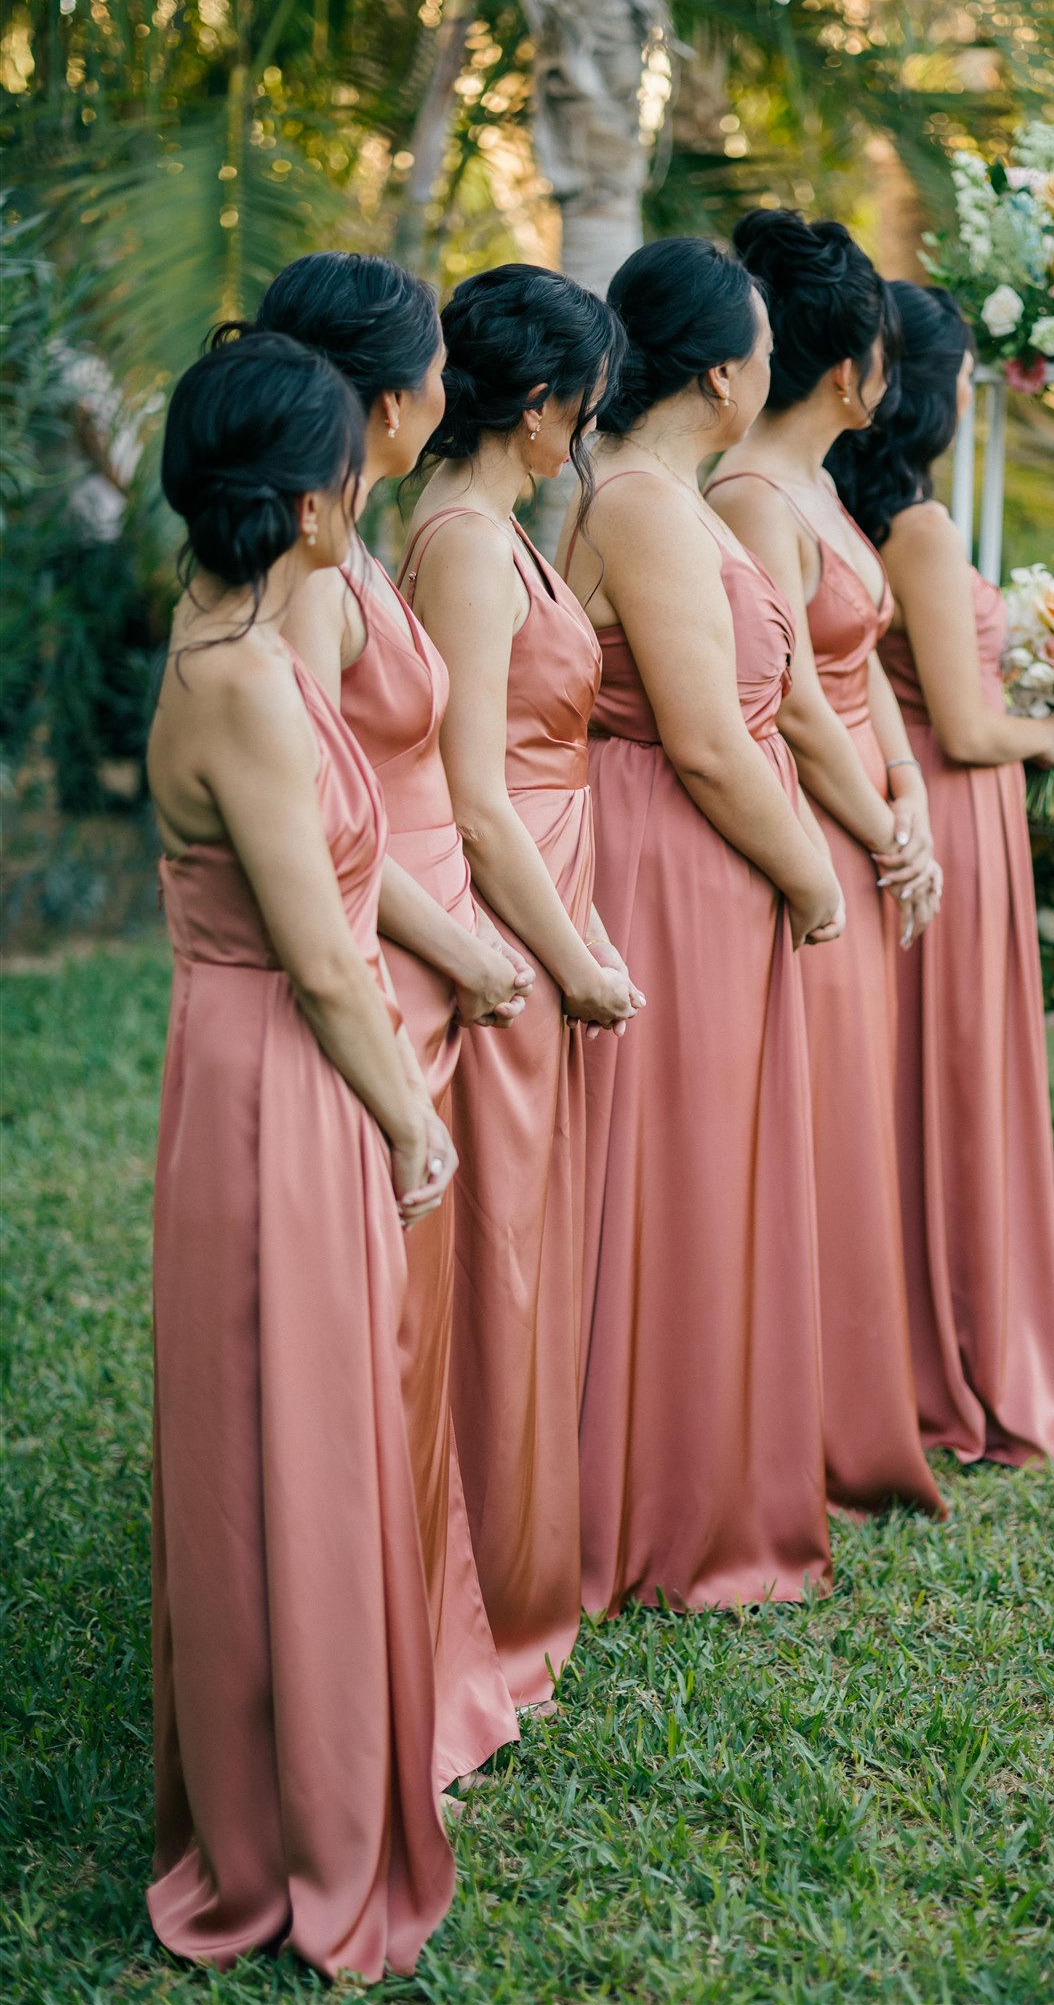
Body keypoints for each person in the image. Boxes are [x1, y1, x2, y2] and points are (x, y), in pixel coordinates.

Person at [147, 332, 457, 1977]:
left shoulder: (244, 628)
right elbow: (325, 962)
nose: (369, 474)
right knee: (290, 1441)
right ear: (309, 495)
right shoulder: (244, 682)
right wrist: (413, 1116)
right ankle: (296, 1831)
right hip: (279, 1082)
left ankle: (311, 1777)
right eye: (349, 455)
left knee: (299, 1429)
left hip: (272, 1065)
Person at [249, 252, 525, 1785]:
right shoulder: (303, 581)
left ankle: (431, 1647)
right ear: (384, 396)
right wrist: (464, 947)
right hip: (375, 963)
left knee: (416, 1338)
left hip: (421, 955)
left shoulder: (353, 547)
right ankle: (367, 1686)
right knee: (377, 1339)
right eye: (427, 364)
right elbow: (317, 828)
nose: (442, 389)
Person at [559, 235, 842, 1615]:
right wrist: (815, 875)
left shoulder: (661, 494)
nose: (771, 376)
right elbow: (711, 745)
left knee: (706, 1167)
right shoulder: (647, 508)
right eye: (766, 357)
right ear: (723, 375)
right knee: (669, 1173)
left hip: (701, 864)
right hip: (675, 861)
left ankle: (700, 1475)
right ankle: (657, 1504)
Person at [402, 264, 642, 1710]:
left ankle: (524, 1556)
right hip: (509, 922)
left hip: (552, 901)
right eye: (585, 409)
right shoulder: (465, 548)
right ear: (542, 406)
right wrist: (571, 961)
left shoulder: (504, 528)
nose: (587, 436)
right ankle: (479, 1578)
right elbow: (473, 797)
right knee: (499, 1251)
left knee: (535, 1246)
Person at [706, 209, 943, 1519]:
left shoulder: (824, 489)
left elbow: (861, 668)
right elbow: (793, 697)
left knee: (856, 1112)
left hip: (864, 806)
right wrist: (878, 823)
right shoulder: (749, 495)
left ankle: (853, 1395)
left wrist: (905, 782)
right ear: (849, 368)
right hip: (816, 819)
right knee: (824, 1117)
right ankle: (810, 1416)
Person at [832, 282, 1054, 1469]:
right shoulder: (918, 529)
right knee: (957, 1074)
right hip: (952, 798)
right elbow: (973, 725)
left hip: (930, 796)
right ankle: (962, 1354)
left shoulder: (857, 506)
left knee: (935, 1071)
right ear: (937, 387)